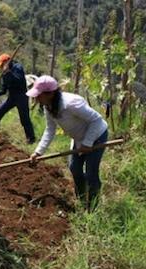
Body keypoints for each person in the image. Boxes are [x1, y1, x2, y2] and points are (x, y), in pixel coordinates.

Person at [27, 75, 108, 212]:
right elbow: (50, 129)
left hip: (97, 136)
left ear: (50, 93)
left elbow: (96, 120)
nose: (36, 99)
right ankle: (82, 201)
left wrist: (88, 143)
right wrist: (38, 152)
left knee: (90, 173)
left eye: (38, 95)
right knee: (74, 168)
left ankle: (93, 207)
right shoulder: (49, 106)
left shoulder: (71, 104)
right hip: (78, 138)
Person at [0, 53, 36, 144]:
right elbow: (4, 90)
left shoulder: (18, 67)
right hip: (12, 97)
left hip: (21, 96)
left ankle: (31, 138)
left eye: (2, 65)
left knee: (24, 118)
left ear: (7, 61)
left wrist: (8, 72)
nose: (2, 67)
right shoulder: (4, 73)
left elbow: (18, 80)